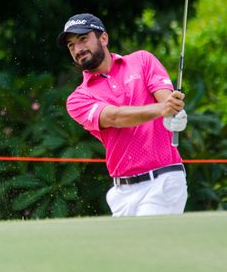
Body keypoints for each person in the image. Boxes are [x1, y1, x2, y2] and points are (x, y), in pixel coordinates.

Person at [57, 13, 188, 217]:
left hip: (163, 180)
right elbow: (115, 117)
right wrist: (163, 110)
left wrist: (174, 110)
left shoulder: (142, 61)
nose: (78, 49)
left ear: (104, 38)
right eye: (71, 45)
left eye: (83, 39)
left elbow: (166, 99)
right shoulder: (78, 98)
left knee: (146, 243)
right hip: (122, 192)